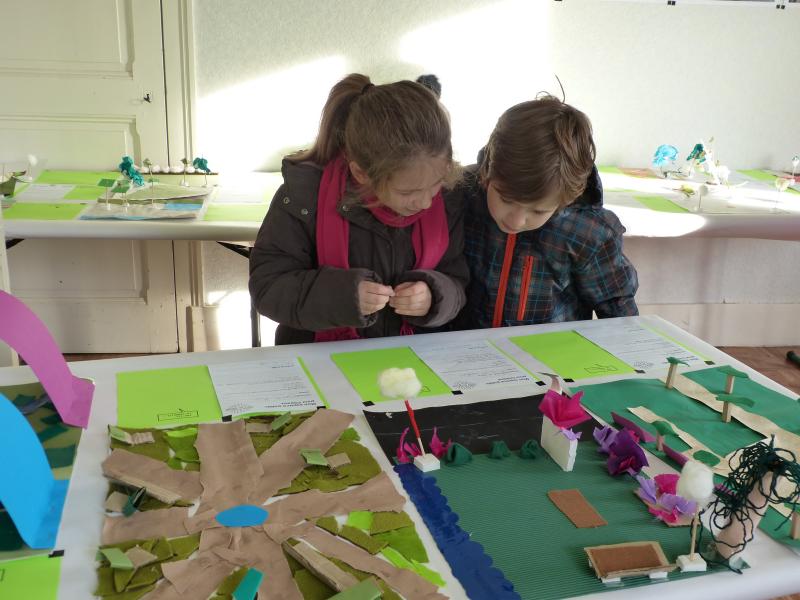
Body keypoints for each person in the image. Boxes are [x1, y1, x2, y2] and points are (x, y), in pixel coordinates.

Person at [249, 73, 468, 345]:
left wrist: (435, 297)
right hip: (318, 363)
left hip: (414, 361)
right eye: (407, 192)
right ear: (361, 174)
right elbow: (268, 287)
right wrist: (343, 297)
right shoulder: (304, 196)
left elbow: (458, 281)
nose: (424, 202)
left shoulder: (448, 200)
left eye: (435, 185)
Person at [454, 95, 638, 329]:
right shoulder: (463, 194)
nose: (516, 220)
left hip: (551, 358)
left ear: (567, 199)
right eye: (505, 199)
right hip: (465, 351)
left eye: (538, 210)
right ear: (488, 169)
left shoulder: (589, 232)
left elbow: (618, 310)